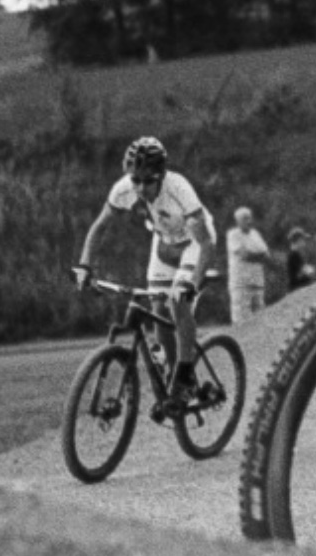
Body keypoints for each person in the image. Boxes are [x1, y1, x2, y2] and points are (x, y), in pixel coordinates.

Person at [73, 136, 216, 406]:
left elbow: (206, 244)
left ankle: (185, 374)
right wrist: (84, 266)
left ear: (161, 175)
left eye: (148, 180)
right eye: (135, 179)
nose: (140, 187)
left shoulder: (179, 189)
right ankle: (175, 378)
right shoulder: (123, 189)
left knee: (177, 301)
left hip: (193, 244)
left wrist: (192, 285)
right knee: (157, 310)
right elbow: (99, 227)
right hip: (163, 244)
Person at [225, 205, 271, 321]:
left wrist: (254, 255)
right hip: (241, 283)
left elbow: (266, 255)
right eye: (245, 218)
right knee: (241, 317)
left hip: (257, 281)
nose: (249, 221)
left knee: (260, 316)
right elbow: (243, 255)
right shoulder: (233, 234)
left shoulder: (255, 234)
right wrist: (258, 255)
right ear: (238, 221)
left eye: (250, 218)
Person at [286, 226, 316, 291]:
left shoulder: (295, 254)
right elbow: (304, 273)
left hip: (300, 288)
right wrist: (310, 270)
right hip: (298, 289)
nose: (304, 242)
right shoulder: (294, 255)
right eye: (303, 239)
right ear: (298, 240)